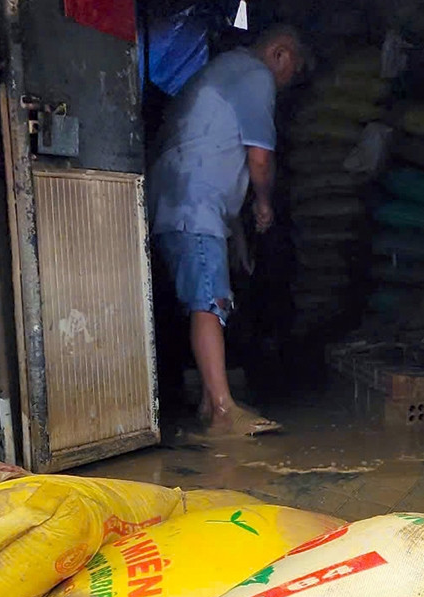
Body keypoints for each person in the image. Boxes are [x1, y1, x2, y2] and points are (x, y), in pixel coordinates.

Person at [147, 25, 307, 437]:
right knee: (208, 301)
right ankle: (222, 409)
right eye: (292, 73)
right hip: (194, 204)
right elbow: (258, 158)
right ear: (281, 54)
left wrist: (235, 234)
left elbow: (218, 153)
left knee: (206, 297)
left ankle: (207, 399)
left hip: (180, 200)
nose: (286, 84)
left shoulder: (220, 72)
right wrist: (264, 203)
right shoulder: (254, 74)